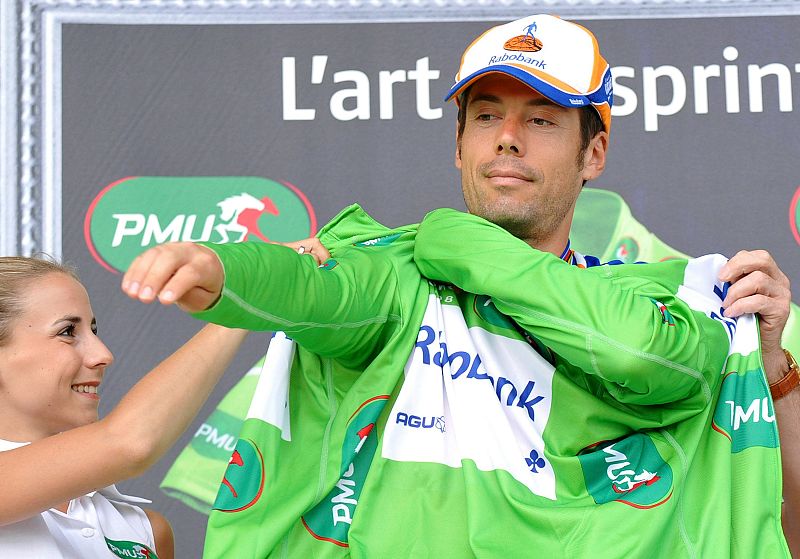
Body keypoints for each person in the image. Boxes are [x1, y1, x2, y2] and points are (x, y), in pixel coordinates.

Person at [122, 14, 796, 558]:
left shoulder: (660, 304)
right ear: (458, 145)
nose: (506, 138)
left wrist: (772, 378)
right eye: (485, 115)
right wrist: (222, 269)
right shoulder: (401, 277)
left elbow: (765, 512)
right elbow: (314, 287)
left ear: (594, 153)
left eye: (540, 118)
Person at [0, 256, 248, 558]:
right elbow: (129, 442)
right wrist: (247, 304)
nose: (103, 354)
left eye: (94, 330)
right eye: (67, 332)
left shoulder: (147, 530)